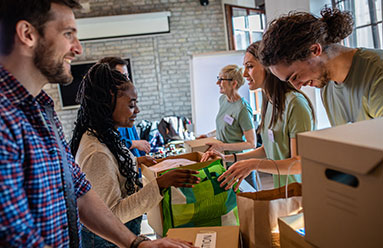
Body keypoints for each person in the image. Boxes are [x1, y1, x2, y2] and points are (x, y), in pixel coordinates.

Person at [0, 1, 197, 247]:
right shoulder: (5, 119)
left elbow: (80, 193)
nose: (78, 49)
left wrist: (137, 244)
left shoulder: (44, 111)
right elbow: (13, 236)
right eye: (68, 34)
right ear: (27, 34)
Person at [70, 63, 200, 247]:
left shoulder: (104, 135)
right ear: (108, 103)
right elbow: (111, 215)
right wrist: (160, 184)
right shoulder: (96, 153)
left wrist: (136, 161)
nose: (137, 110)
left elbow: (111, 170)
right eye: (131, 105)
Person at [202, 41, 315, 190]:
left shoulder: (295, 104)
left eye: (250, 66)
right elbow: (267, 150)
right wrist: (227, 158)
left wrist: (253, 165)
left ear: (269, 67)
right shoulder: (269, 102)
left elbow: (298, 164)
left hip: (299, 195)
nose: (244, 74)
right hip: (280, 192)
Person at [259, 7, 383, 127]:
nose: (297, 86)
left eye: (295, 77)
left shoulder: (377, 71)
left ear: (315, 50)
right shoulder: (327, 87)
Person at [98, 56, 149, 157]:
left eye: (127, 76)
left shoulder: (126, 112)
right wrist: (134, 143)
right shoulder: (107, 114)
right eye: (123, 76)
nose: (128, 80)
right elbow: (109, 142)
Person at [199, 65, 256, 154]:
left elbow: (251, 143)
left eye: (221, 80)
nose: (217, 83)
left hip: (239, 160)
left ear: (234, 84)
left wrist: (222, 147)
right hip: (224, 157)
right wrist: (207, 136)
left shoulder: (243, 109)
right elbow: (226, 127)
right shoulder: (222, 100)